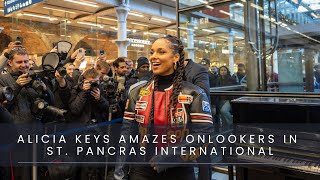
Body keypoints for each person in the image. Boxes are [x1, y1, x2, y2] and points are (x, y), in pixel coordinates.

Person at [115, 35, 214, 180]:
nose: (154, 57)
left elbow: (204, 135)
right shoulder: (136, 92)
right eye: (152, 52)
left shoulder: (195, 94)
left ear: (175, 58)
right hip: (141, 170)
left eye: (161, 52)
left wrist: (171, 155)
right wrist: (119, 173)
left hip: (179, 171)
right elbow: (126, 135)